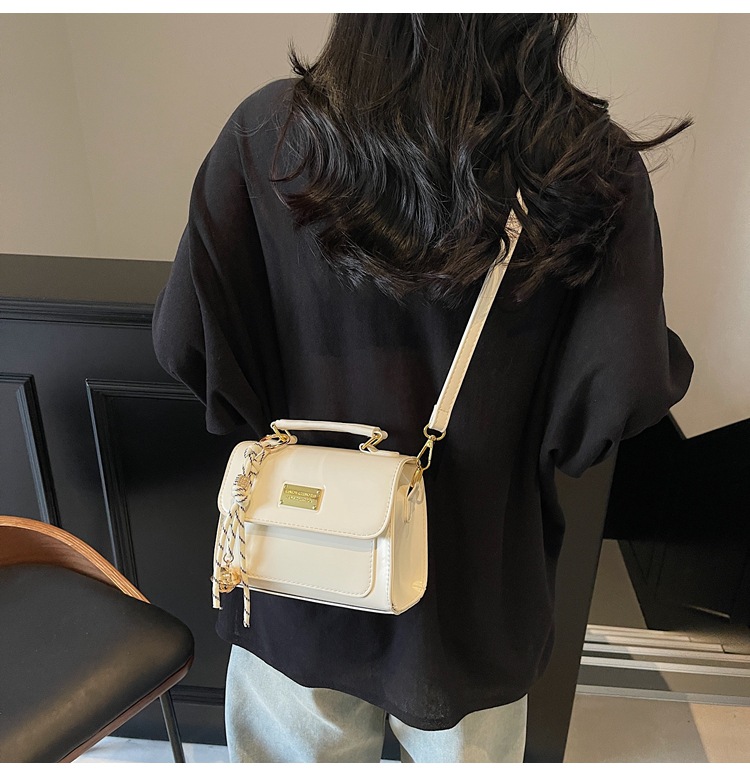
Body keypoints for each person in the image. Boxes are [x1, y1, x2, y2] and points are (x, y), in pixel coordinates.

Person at [151, 13, 694, 763]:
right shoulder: (585, 164)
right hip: (475, 592)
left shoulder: (269, 133)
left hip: (296, 567)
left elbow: (186, 343)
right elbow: (615, 396)